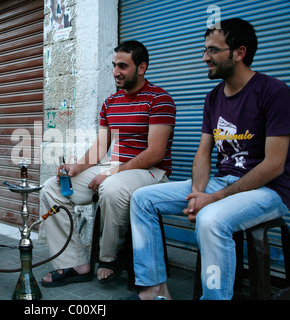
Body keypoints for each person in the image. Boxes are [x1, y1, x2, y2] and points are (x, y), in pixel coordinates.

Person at [128, 18, 290, 300]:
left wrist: (212, 200)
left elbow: (274, 164)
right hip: (223, 183)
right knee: (141, 199)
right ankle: (154, 290)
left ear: (239, 53)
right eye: (205, 50)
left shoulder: (274, 92)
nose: (205, 57)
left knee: (211, 220)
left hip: (270, 190)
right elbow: (203, 152)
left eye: (213, 50)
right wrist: (197, 194)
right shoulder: (213, 97)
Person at [40, 41, 176, 287]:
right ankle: (75, 263)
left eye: (123, 66)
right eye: (114, 65)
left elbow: (155, 153)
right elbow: (101, 147)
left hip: (152, 173)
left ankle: (109, 258)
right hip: (116, 168)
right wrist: (77, 168)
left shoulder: (160, 99)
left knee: (112, 188)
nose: (115, 72)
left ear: (142, 67)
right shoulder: (111, 102)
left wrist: (111, 173)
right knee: (52, 187)